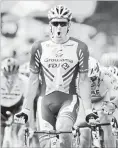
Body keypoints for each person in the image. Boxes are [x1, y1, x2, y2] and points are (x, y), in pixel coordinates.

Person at [14, 5, 98, 148]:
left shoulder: (80, 47)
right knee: (45, 144)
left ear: (69, 25)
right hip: (45, 101)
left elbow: (84, 81)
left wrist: (89, 110)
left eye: (63, 23)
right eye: (55, 23)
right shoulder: (38, 47)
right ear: (50, 25)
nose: (59, 27)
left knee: (64, 131)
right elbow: (33, 81)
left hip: (69, 99)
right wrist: (26, 109)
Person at [1, 58, 28, 147]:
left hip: (17, 107)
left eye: (13, 75)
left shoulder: (24, 81)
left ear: (17, 73)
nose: (10, 79)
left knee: (18, 132)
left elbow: (27, 101)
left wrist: (21, 117)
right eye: (7, 76)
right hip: (1, 107)